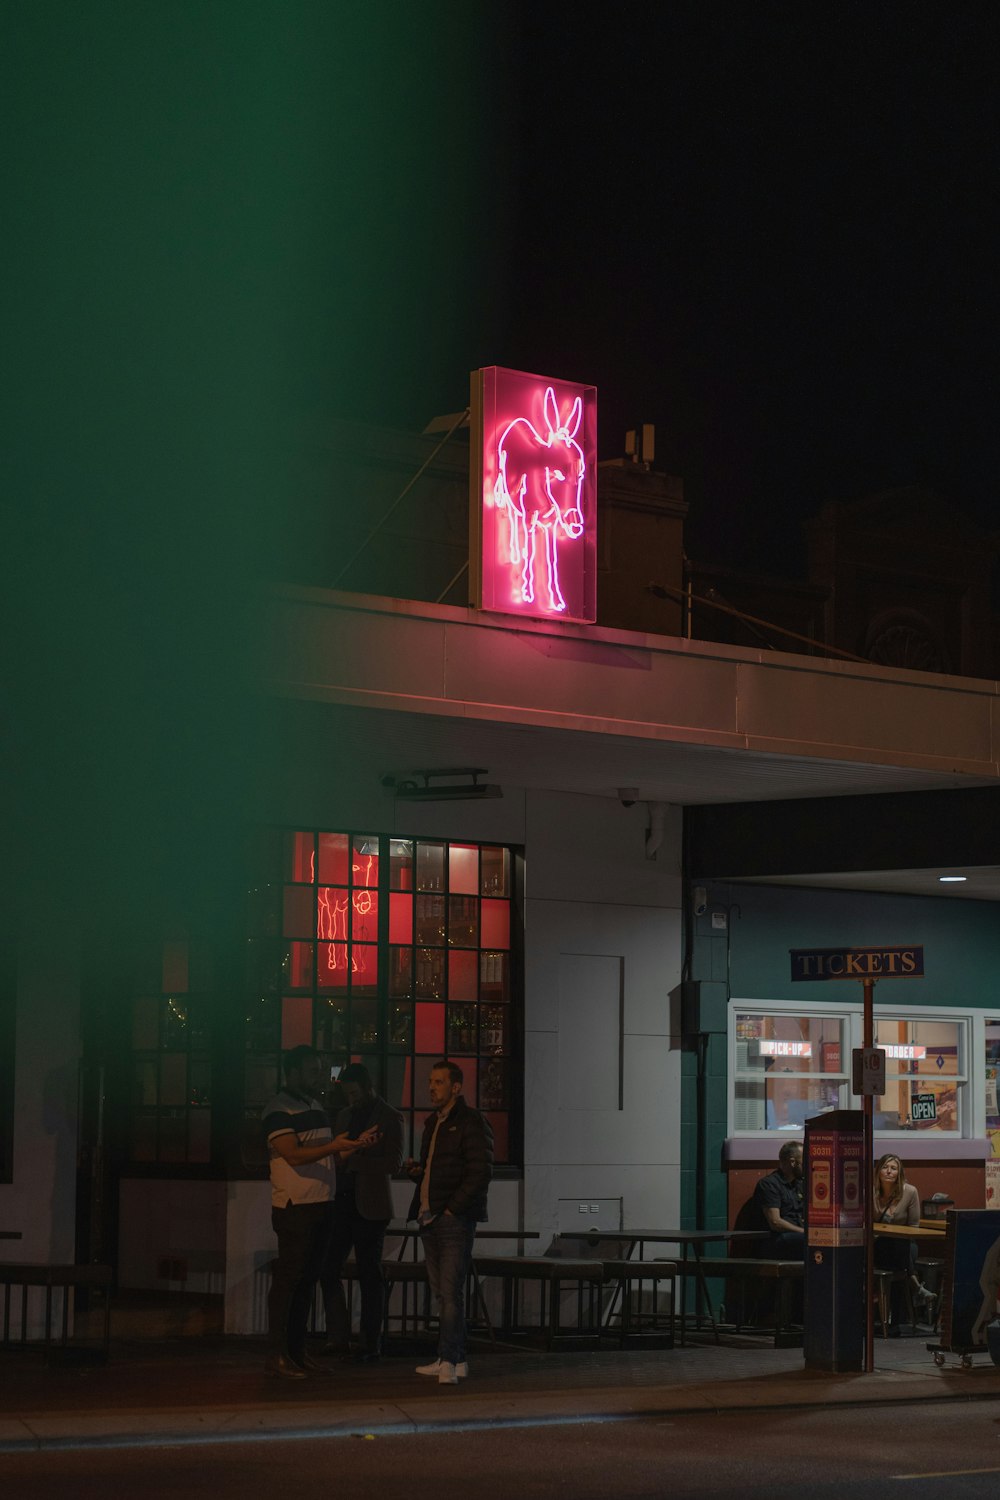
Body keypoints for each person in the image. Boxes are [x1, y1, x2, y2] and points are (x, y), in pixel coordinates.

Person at [263, 1045, 378, 1379]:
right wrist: (335, 1145)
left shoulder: (314, 1106)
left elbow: (324, 1157)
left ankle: (298, 1353)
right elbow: (294, 1154)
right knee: (289, 1280)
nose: (317, 1076)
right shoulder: (278, 1109)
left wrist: (352, 1146)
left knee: (308, 1281)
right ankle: (278, 1354)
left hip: (321, 1203)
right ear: (293, 1071)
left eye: (318, 1069)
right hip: (294, 1206)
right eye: (311, 1070)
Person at [404, 1059, 493, 1385]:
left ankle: (450, 1360)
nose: (431, 1087)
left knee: (449, 1292)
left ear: (456, 1087)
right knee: (443, 1293)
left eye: (439, 1082)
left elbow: (481, 1170)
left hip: (451, 1219)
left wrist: (453, 1208)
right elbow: (437, 1170)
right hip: (432, 1217)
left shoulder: (469, 1121)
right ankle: (454, 1359)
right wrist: (418, 1174)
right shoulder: (434, 1123)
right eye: (430, 1081)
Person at [319, 1062, 403, 1361]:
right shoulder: (344, 1115)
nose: (350, 1100)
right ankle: (338, 1336)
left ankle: (369, 1342)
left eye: (354, 1093)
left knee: (370, 1275)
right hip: (342, 1200)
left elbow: (394, 1164)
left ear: (367, 1088)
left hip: (371, 1205)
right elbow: (336, 1157)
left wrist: (355, 1161)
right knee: (328, 1269)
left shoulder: (390, 1117)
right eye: (346, 1094)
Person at [872, 1152, 934, 1332]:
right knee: (896, 1259)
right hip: (878, 1245)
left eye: (893, 1168)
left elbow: (914, 1226)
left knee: (899, 1250)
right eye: (885, 1167)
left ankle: (896, 1321)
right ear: (878, 1171)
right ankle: (914, 1286)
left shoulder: (910, 1191)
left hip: (905, 1244)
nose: (889, 1172)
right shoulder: (871, 1192)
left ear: (899, 1173)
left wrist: (897, 1233)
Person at [752, 1140, 805, 1258]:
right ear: (792, 1162)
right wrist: (804, 1232)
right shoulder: (769, 1184)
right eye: (804, 1162)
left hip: (797, 1237)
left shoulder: (800, 1184)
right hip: (776, 1239)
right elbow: (775, 1222)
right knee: (811, 1241)